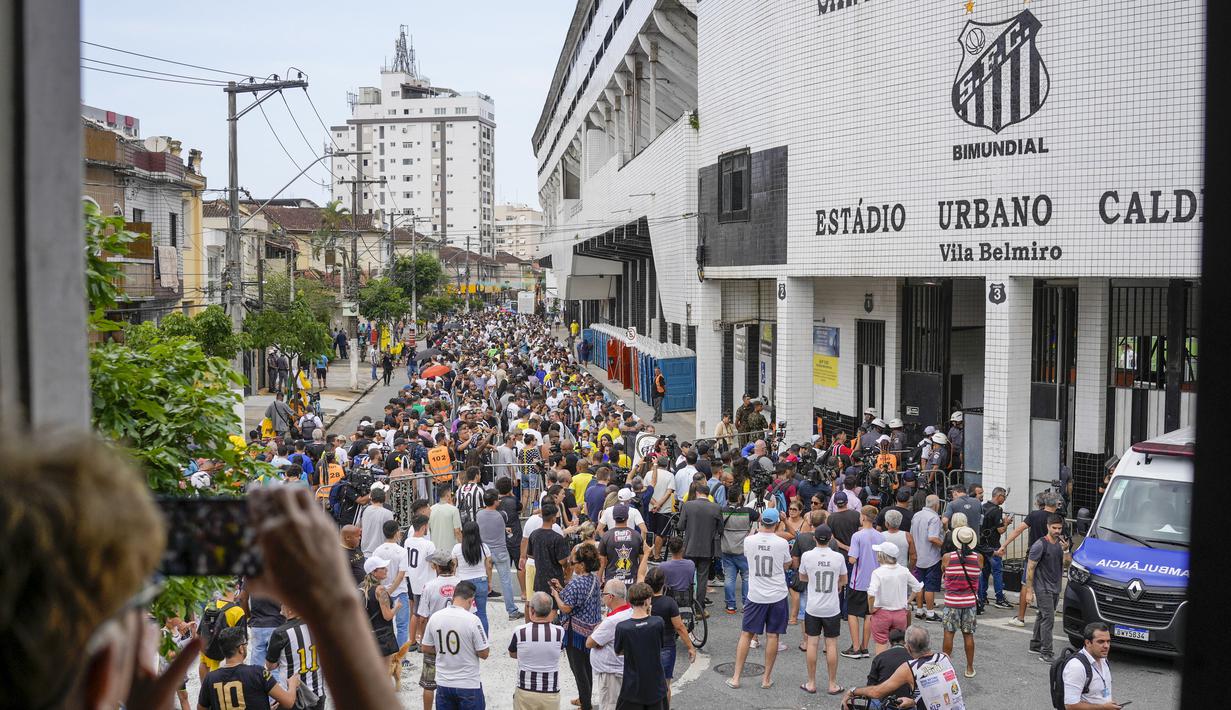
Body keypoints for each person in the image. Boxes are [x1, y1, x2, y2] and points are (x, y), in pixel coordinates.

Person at [726, 507, 790, 690]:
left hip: (756, 594)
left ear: (761, 521)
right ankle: (766, 679)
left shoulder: (750, 541)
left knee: (746, 633)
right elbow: (786, 564)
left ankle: (736, 677)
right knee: (773, 635)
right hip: (777, 593)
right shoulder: (781, 543)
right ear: (777, 523)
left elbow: (748, 556)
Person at [842, 626, 966, 710]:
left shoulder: (910, 668)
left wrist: (853, 691)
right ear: (929, 643)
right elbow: (940, 691)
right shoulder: (944, 657)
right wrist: (914, 701)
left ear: (908, 648)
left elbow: (877, 692)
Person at [421, 580, 490, 710]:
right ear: (470, 600)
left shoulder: (435, 617)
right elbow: (484, 653)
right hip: (468, 684)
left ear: (453, 596)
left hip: (443, 683)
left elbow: (425, 647)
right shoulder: (473, 620)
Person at [550, 544, 603, 710]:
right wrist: (561, 588)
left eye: (574, 563)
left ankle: (586, 705)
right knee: (587, 668)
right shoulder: (594, 580)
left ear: (582, 564)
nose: (572, 566)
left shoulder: (577, 582)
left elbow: (566, 607)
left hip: (575, 633)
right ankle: (584, 698)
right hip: (590, 631)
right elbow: (576, 598)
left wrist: (556, 595)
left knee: (579, 670)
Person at [997, 492, 1060, 626]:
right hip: (1050, 557)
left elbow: (1018, 530)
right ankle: (1045, 613)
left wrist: (1004, 545)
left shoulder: (1034, 515)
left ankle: (1020, 617)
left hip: (1032, 555)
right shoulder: (1058, 519)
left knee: (1026, 584)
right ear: (1057, 504)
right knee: (1048, 584)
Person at [798, 524, 847, 696]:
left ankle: (811, 682)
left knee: (812, 643)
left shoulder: (807, 556)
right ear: (831, 538)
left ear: (815, 538)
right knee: (831, 644)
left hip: (813, 606)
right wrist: (836, 584)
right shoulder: (838, 557)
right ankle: (832, 684)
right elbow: (843, 580)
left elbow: (802, 576)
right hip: (831, 607)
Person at [199, 626, 299, 710]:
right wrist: (292, 684)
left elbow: (201, 708)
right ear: (241, 649)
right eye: (245, 644)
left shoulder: (210, 678)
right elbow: (288, 702)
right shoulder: (258, 672)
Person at [416, 551, 462, 710]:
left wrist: (423, 638)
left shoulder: (429, 586)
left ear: (436, 566)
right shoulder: (461, 584)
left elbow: (423, 617)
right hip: (457, 637)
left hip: (435, 637)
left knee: (429, 683)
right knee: (457, 679)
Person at [643, 568, 697, 701]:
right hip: (666, 646)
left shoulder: (642, 601)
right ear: (663, 583)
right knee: (665, 685)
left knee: (646, 683)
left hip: (646, 646)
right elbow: (680, 627)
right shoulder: (669, 603)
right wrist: (690, 647)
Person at [614, 582, 669, 710]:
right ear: (647, 600)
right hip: (656, 685)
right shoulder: (658, 622)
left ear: (630, 601)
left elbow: (618, 651)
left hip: (632, 687)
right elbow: (659, 645)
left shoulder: (622, 627)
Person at [509, 592, 566, 710]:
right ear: (550, 611)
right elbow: (559, 649)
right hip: (550, 690)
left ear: (532, 610)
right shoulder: (559, 632)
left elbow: (513, 654)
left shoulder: (519, 631)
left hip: (525, 690)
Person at [265, 602, 326, 710]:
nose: (280, 605)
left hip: (293, 697)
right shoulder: (318, 627)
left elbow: (270, 666)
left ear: (290, 609)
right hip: (318, 694)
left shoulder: (280, 633)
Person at [867, 541, 922, 657]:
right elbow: (917, 587)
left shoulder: (877, 572)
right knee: (899, 647)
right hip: (900, 613)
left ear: (882, 556)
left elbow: (871, 594)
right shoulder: (904, 570)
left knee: (881, 645)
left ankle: (882, 667)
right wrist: (907, 601)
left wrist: (871, 609)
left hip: (882, 613)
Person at [1028, 513, 1071, 663]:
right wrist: (1029, 591)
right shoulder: (1040, 545)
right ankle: (1046, 652)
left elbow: (1066, 565)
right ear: (1048, 527)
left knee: (1042, 615)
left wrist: (1066, 551)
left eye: (1059, 528)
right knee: (1049, 619)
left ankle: (1035, 644)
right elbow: (1030, 568)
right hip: (1043, 588)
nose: (1057, 531)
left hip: (1055, 587)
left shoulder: (1061, 544)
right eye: (1054, 528)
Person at [844, 505, 885, 659]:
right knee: (869, 614)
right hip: (875, 580)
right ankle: (864, 647)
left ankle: (855, 648)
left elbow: (852, 559)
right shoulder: (881, 536)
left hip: (859, 580)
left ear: (863, 517)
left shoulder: (857, 536)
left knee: (852, 613)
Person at [587, 579, 634, 710]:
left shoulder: (612, 620)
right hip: (624, 669)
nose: (602, 596)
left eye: (604, 594)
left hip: (611, 674)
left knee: (610, 706)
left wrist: (598, 632)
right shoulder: (630, 612)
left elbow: (589, 642)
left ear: (611, 596)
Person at [677, 480, 723, 613]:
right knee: (702, 579)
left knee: (688, 577)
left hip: (689, 546)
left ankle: (686, 604)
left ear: (697, 492)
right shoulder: (716, 507)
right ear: (708, 494)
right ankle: (699, 608)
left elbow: (680, 526)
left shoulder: (688, 505)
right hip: (707, 548)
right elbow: (720, 529)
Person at [478, 490, 523, 620]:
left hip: (485, 551)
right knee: (506, 581)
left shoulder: (479, 514)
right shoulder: (502, 514)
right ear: (495, 502)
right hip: (500, 551)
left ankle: (479, 610)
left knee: (482, 580)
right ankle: (512, 611)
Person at [372, 519, 412, 648]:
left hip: (381, 591)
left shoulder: (377, 551)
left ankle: (386, 651)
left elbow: (374, 572)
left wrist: (386, 591)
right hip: (399, 591)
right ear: (397, 533)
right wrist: (391, 590)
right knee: (402, 626)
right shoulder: (402, 551)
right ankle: (401, 655)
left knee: (383, 625)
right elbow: (401, 575)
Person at [1062, 622, 1120, 710]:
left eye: (1108, 641)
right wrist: (1103, 708)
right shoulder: (1076, 667)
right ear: (1088, 642)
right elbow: (1071, 706)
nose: (1106, 646)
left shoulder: (1103, 659)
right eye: (1101, 642)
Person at [453, 520, 494, 635]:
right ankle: (483, 639)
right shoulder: (484, 547)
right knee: (482, 614)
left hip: (463, 583)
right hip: (481, 581)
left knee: (463, 614)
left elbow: (453, 567)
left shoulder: (457, 548)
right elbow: (489, 566)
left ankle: (466, 638)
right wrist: (489, 582)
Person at [404, 514, 437, 651]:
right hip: (427, 581)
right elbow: (433, 563)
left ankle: (412, 640)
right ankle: (425, 641)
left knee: (415, 612)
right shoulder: (428, 544)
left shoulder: (407, 541)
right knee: (427, 614)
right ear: (424, 527)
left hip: (413, 580)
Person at [362, 556, 403, 666]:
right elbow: (387, 616)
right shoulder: (380, 590)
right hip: (382, 636)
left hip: (368, 634)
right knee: (384, 671)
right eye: (383, 568)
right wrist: (397, 607)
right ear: (374, 572)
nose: (386, 570)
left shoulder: (363, 587)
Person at [720, 490, 756, 614]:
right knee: (746, 577)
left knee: (729, 578)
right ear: (740, 497)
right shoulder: (748, 512)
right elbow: (760, 518)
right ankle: (746, 605)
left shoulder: (722, 511)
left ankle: (730, 606)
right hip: (743, 550)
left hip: (727, 548)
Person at [979, 487, 1014, 610]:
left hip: (982, 545)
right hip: (993, 545)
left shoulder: (983, 507)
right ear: (999, 496)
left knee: (984, 572)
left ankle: (982, 597)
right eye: (1004, 497)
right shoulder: (997, 510)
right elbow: (1000, 530)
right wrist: (1006, 523)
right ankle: (999, 598)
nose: (1004, 499)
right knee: (997, 572)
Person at [911, 495, 944, 623]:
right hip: (931, 556)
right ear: (936, 505)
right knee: (930, 586)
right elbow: (932, 537)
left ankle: (919, 610)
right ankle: (930, 613)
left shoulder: (917, 515)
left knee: (919, 585)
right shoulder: (934, 518)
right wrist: (944, 545)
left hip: (918, 555)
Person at [598, 504, 649, 585]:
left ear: (613, 517)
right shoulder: (636, 536)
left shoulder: (606, 536)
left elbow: (602, 562)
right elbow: (642, 561)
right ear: (627, 517)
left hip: (612, 583)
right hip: (632, 582)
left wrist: (599, 579)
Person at [864, 628, 913, 709]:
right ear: (906, 642)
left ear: (890, 642)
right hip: (907, 702)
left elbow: (870, 684)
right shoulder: (913, 657)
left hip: (885, 701)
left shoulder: (880, 657)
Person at [360, 485, 395, 556]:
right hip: (382, 552)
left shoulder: (365, 510)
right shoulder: (388, 513)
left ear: (371, 498)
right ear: (384, 497)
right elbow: (391, 533)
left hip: (366, 551)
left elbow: (360, 527)